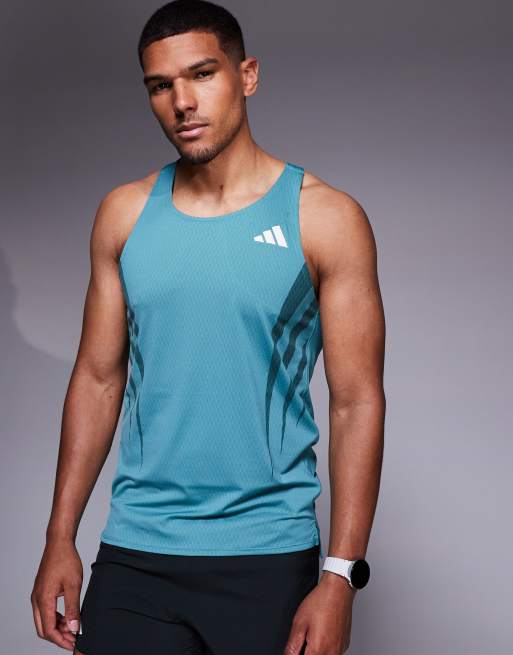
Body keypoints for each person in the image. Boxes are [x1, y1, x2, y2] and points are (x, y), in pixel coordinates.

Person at [30, 1, 385, 653]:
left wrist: (339, 576)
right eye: (160, 86)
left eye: (201, 74)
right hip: (136, 554)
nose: (182, 102)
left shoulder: (324, 218)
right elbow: (98, 379)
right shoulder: (124, 214)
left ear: (246, 75)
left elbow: (356, 400)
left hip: (267, 557)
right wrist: (60, 537)